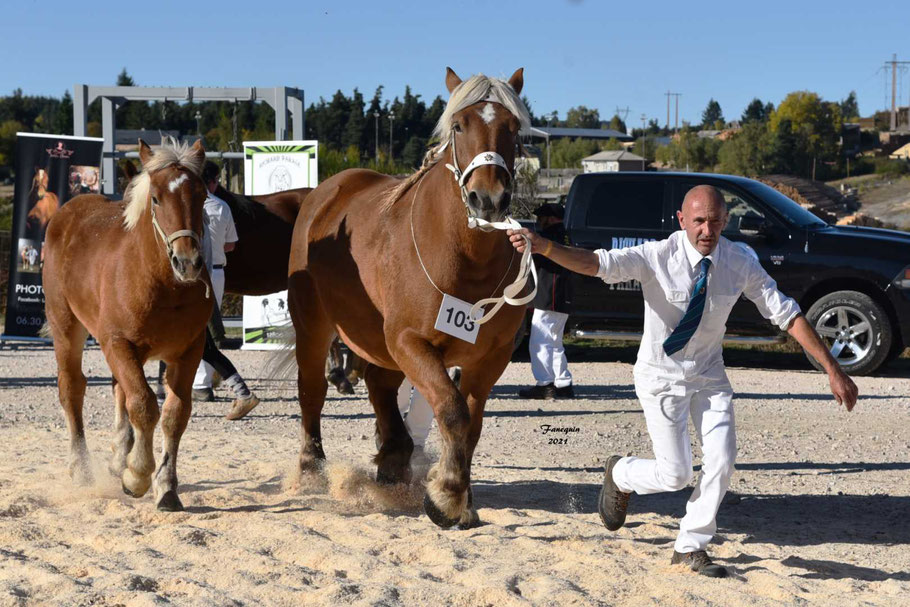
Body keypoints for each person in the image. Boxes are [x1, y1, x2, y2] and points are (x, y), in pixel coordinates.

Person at [508, 185, 858, 578]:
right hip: (660, 376)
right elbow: (595, 263)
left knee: (722, 461)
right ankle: (620, 473)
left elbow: (786, 313)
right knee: (675, 474)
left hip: (709, 376)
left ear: (726, 221)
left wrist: (833, 369)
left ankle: (691, 546)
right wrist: (544, 247)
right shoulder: (657, 256)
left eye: (714, 221)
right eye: (698, 221)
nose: (706, 230)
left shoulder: (739, 260)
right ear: (682, 220)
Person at [192, 161, 260, 420]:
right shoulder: (221, 207)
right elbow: (231, 245)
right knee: (205, 332)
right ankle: (203, 383)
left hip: (196, 276)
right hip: (217, 273)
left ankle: (200, 386)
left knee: (200, 335)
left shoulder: (190, 207)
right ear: (213, 182)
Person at [518, 203, 574, 400]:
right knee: (554, 342)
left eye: (541, 217)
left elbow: (533, 260)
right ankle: (563, 383)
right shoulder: (565, 235)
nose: (538, 222)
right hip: (561, 297)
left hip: (549, 295)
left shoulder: (549, 237)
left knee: (540, 341)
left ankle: (545, 384)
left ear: (550, 218)